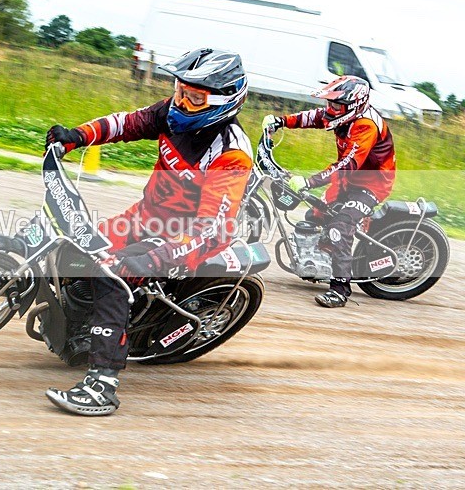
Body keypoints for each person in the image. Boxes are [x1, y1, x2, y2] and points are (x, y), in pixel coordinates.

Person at [44, 48, 253, 416]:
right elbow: (126, 123)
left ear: (224, 101)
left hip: (183, 238)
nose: (181, 102)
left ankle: (102, 385)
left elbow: (211, 230)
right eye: (179, 90)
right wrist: (76, 135)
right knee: (73, 248)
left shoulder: (230, 155)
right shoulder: (172, 114)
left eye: (194, 97)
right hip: (142, 218)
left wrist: (155, 257)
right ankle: (79, 323)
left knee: (113, 275)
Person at [262, 75, 396, 308]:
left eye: (335, 105)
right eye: (330, 103)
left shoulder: (365, 125)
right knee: (314, 216)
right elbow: (313, 117)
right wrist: (280, 121)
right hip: (348, 182)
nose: (329, 109)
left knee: (340, 227)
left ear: (353, 105)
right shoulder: (342, 114)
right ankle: (322, 261)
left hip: (370, 185)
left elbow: (347, 165)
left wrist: (309, 181)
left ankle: (340, 289)